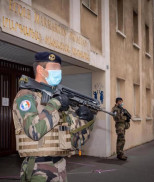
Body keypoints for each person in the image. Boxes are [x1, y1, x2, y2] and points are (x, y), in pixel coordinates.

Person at [12, 52, 95, 182]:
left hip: (60, 166)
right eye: (55, 68)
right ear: (40, 70)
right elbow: (34, 131)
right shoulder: (26, 96)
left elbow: (75, 141)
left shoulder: (56, 99)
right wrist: (56, 103)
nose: (59, 72)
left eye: (60, 69)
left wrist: (85, 120)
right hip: (38, 169)